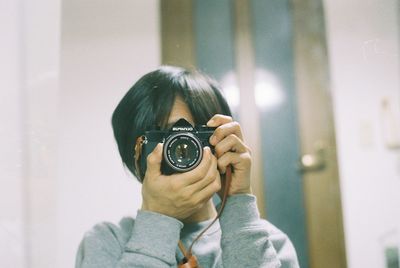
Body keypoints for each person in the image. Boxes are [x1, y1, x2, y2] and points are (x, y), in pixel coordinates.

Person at [75, 66, 299, 268]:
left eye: (193, 136)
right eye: (163, 138)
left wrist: (238, 202)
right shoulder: (107, 242)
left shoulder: (267, 242)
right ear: (135, 155)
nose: (181, 151)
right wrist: (157, 221)